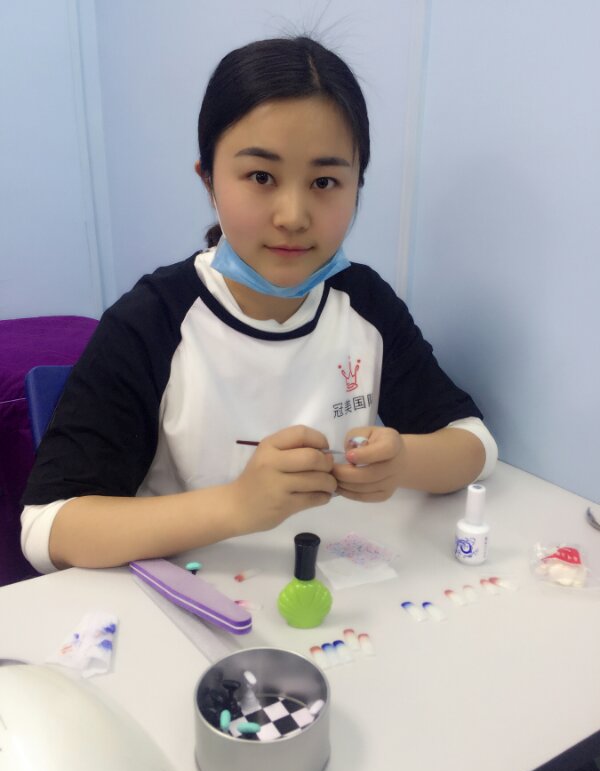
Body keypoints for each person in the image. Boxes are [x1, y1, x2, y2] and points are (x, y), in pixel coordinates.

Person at [21, 35, 497, 573]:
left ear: (357, 186)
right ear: (209, 179)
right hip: (186, 598)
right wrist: (238, 505)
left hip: (334, 589)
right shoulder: (152, 320)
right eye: (261, 177)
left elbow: (475, 444)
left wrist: (405, 462)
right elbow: (48, 528)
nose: (293, 215)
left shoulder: (364, 303)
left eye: (325, 181)